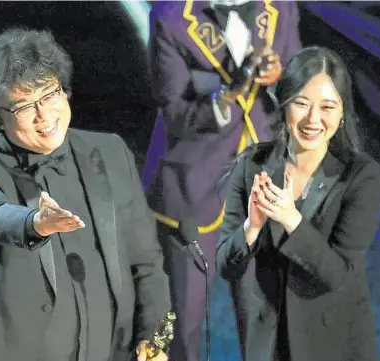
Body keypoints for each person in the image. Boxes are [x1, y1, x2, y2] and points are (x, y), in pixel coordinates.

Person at [0, 28, 171, 361]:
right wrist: (35, 222)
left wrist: (155, 339)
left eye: (50, 95)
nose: (44, 116)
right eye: (24, 107)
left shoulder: (109, 151)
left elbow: (146, 261)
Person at [144, 1, 301, 360]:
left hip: (261, 184)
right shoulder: (169, 17)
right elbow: (177, 116)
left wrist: (279, 78)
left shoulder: (280, 6)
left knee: (262, 312)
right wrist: (229, 93)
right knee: (183, 321)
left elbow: (298, 85)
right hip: (191, 186)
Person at [217, 46, 380, 361]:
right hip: (269, 343)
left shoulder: (361, 176)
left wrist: (291, 220)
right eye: (302, 104)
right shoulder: (253, 164)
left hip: (333, 343)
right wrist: (251, 227)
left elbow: (338, 274)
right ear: (284, 104)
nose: (313, 119)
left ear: (343, 111)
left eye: (327, 107)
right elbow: (227, 265)